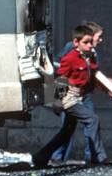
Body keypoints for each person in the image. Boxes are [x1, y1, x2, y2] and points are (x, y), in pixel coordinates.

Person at [34, 24, 107, 167]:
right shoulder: (70, 58)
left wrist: (107, 90)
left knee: (66, 132)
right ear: (76, 43)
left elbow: (92, 78)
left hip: (79, 97)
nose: (89, 45)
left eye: (91, 42)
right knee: (92, 119)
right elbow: (61, 79)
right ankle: (98, 157)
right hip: (69, 98)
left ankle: (40, 157)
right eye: (85, 42)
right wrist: (57, 101)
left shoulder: (90, 57)